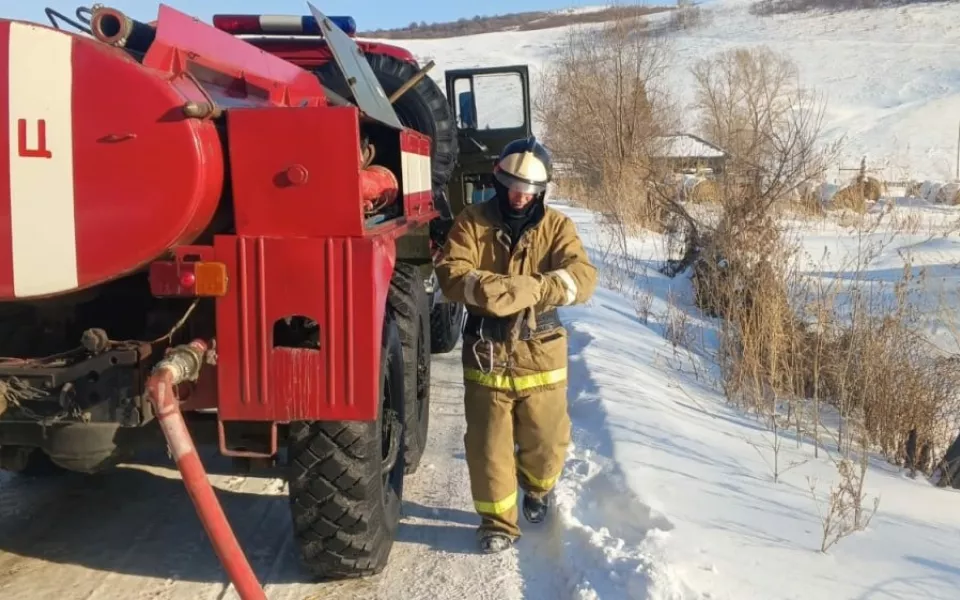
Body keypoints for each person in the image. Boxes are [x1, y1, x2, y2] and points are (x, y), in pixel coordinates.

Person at [434, 136, 598, 554]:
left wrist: (537, 288)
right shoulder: (472, 222)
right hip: (486, 352)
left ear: (541, 190)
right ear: (498, 180)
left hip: (541, 350)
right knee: (488, 446)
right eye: (512, 185)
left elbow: (582, 277)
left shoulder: (557, 227)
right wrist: (496, 291)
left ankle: (537, 488)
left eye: (528, 189)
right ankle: (497, 523)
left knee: (547, 443)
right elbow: (451, 272)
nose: (519, 196)